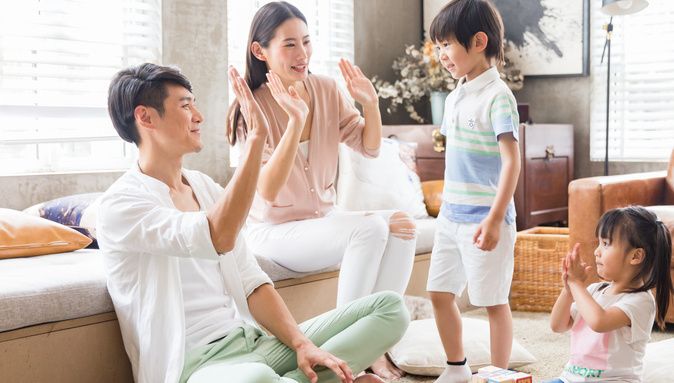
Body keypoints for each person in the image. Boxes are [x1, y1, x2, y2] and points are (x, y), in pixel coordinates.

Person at [98, 62, 408, 383]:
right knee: (256, 378)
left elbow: (251, 281)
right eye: (185, 105)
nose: (198, 115)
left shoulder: (205, 187)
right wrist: (256, 139)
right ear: (145, 117)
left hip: (252, 343)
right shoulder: (121, 205)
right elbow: (217, 236)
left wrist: (302, 344)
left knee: (390, 309)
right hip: (194, 366)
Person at [226, 3, 415, 378]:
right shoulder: (251, 106)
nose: (303, 54)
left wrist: (371, 104)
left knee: (403, 225)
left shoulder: (326, 89)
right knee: (371, 227)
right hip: (274, 231)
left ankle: (374, 345)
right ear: (260, 51)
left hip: (324, 222)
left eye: (307, 42)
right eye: (290, 45)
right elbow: (266, 190)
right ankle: (350, 357)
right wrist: (295, 120)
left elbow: (370, 147)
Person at [425, 1, 521, 382]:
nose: (442, 55)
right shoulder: (453, 97)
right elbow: (457, 158)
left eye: (447, 45)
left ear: (478, 41)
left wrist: (495, 219)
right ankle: (457, 369)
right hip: (450, 218)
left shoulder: (498, 97)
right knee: (438, 293)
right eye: (439, 46)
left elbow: (512, 162)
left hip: (486, 220)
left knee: (493, 301)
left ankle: (499, 374)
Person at [545, 206, 674, 383]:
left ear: (636, 256)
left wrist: (577, 284)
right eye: (599, 243)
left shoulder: (640, 301)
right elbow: (557, 326)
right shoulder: (594, 290)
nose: (596, 251)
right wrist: (568, 290)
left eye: (606, 244)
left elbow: (599, 322)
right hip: (569, 379)